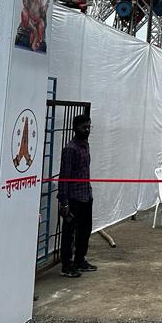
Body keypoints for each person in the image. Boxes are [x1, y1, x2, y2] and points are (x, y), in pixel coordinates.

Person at [59, 113, 96, 278]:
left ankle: (80, 259)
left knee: (85, 230)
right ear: (75, 128)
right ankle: (66, 265)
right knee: (69, 232)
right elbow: (64, 177)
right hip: (73, 198)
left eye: (89, 127)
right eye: (84, 127)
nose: (87, 130)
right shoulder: (70, 149)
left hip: (86, 195)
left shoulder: (85, 145)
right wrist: (64, 202)